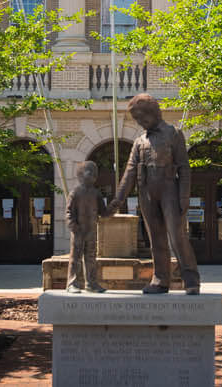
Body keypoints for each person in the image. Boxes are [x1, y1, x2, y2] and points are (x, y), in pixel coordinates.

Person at [108, 93, 202, 294]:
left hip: (169, 189)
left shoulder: (173, 134)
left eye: (142, 117)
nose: (140, 122)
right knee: (156, 239)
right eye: (137, 119)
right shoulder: (139, 141)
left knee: (177, 237)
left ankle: (191, 280)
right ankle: (160, 280)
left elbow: (184, 168)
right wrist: (118, 199)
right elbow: (130, 172)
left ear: (152, 112)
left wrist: (184, 196)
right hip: (146, 192)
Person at [66, 160, 108, 293]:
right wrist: (73, 226)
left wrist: (115, 205)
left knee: (91, 257)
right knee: (75, 258)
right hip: (78, 230)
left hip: (91, 230)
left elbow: (104, 212)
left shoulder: (96, 194)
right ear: (82, 175)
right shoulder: (75, 193)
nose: (92, 176)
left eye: (94, 173)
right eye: (89, 173)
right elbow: (68, 212)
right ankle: (72, 283)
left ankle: (91, 283)